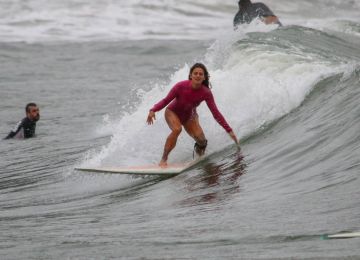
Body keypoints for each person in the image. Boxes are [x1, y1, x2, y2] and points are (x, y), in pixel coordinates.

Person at [146, 63, 239, 167]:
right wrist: (153, 110)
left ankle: (200, 158)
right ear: (191, 75)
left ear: (204, 77)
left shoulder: (206, 93)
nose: (198, 75)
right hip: (172, 112)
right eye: (195, 73)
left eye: (201, 74)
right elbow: (165, 100)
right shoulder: (180, 86)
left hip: (189, 116)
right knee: (177, 129)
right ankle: (164, 159)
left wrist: (229, 130)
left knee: (202, 141)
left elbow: (215, 113)